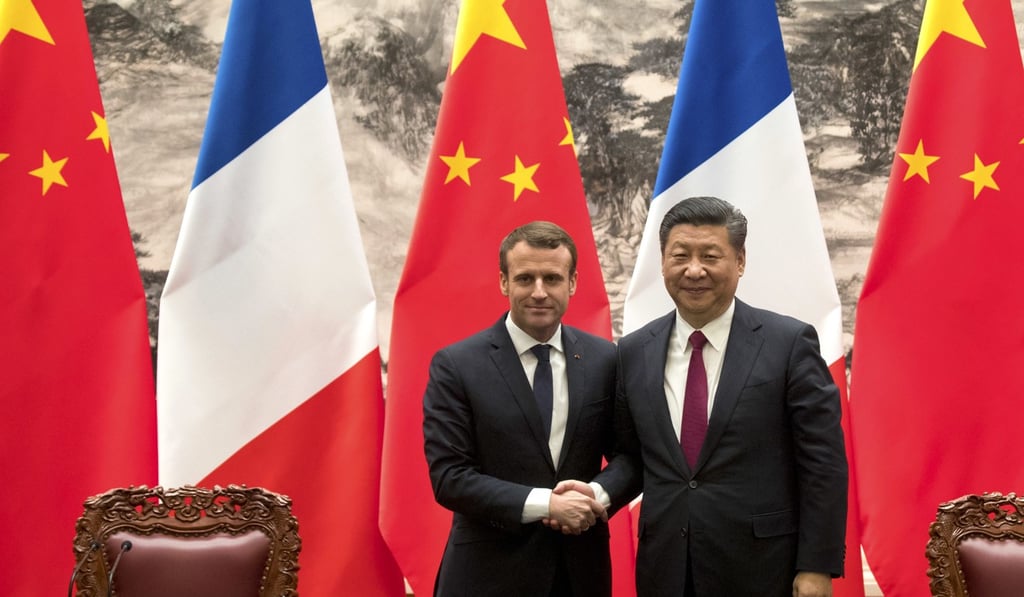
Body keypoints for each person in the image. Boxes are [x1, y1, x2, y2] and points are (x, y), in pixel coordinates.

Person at [615, 196, 848, 597]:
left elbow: (822, 463)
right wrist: (594, 495)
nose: (694, 270)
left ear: (739, 261)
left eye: (710, 255)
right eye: (680, 255)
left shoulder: (788, 343)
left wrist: (816, 565)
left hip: (763, 569)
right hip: (666, 568)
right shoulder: (633, 351)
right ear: (663, 262)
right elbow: (632, 457)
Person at [422, 221, 636, 596]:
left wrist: (594, 498)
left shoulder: (605, 359)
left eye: (552, 278)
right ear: (504, 282)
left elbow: (631, 457)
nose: (539, 292)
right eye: (525, 279)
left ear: (571, 283)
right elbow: (450, 477)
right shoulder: (457, 365)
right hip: (486, 576)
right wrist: (548, 505)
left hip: (579, 574)